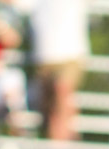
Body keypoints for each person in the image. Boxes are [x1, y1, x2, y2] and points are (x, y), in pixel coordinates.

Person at [28, 0, 90, 141]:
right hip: (44, 58)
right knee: (49, 105)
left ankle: (60, 143)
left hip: (71, 55)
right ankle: (59, 141)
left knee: (62, 92)